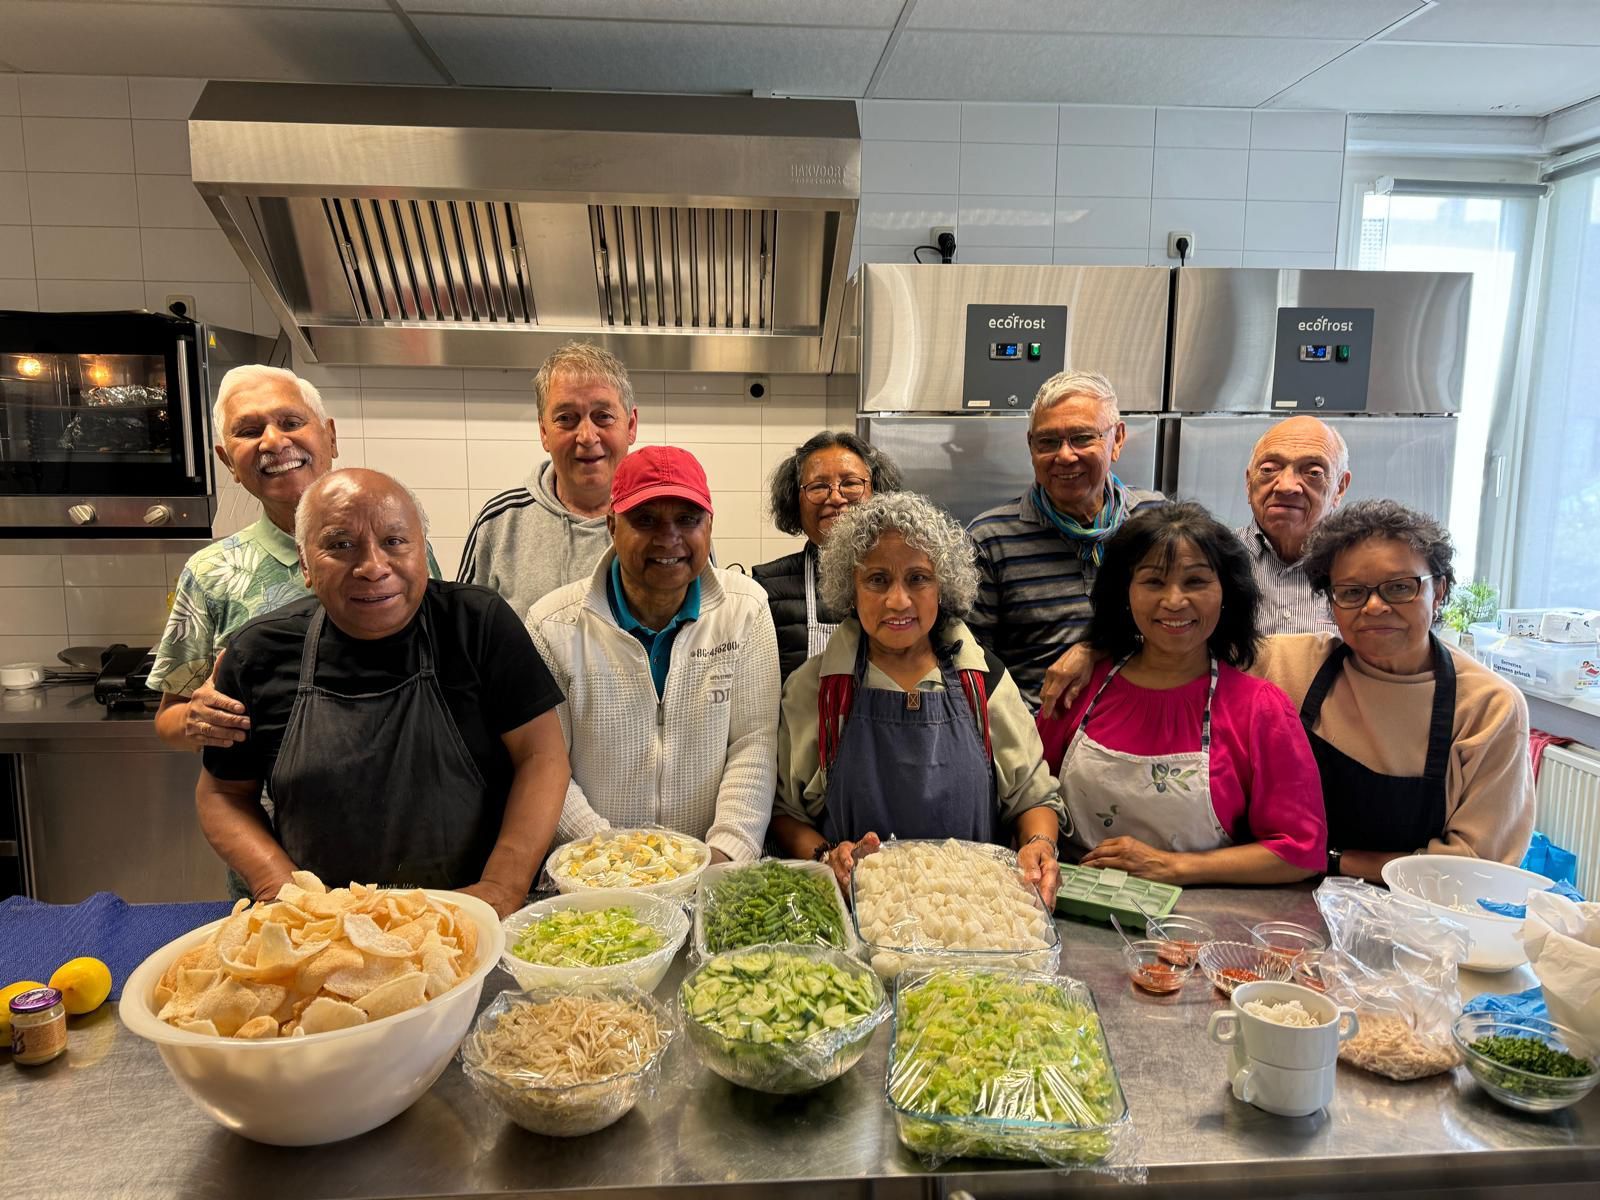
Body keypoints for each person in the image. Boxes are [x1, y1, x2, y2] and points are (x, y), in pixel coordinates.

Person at [193, 469, 570, 917]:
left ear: (422, 551)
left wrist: (502, 889)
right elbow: (222, 795)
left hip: (469, 916)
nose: (373, 567)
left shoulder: (477, 624)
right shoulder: (259, 652)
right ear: (306, 564)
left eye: (394, 541)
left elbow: (542, 758)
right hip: (323, 930)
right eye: (340, 545)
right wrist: (283, 892)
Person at [773, 493, 1063, 903]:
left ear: (942, 586)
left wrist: (1039, 845)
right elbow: (787, 814)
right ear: (849, 588)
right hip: (859, 913)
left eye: (918, 578)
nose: (898, 600)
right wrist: (824, 856)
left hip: (972, 918)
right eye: (877, 580)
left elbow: (1031, 798)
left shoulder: (984, 681)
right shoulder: (816, 689)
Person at [150, 364, 441, 752]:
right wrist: (194, 718)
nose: (273, 441)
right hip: (270, 805)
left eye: (290, 422)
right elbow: (169, 718)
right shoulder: (209, 574)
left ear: (331, 437)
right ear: (228, 462)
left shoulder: (399, 549)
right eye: (249, 431)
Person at [1036, 503, 1326, 886]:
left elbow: (1300, 852)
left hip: (1197, 924)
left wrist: (1172, 867)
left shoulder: (1260, 709)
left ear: (1227, 593)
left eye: (1195, 582)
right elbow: (1033, 797)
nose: (1174, 601)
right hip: (1070, 904)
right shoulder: (1080, 687)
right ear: (1126, 592)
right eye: (1153, 582)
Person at [1253, 500, 1534, 882]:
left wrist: (1335, 861)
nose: (1374, 606)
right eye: (1351, 592)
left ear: (1438, 593)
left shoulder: (1488, 707)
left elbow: (1475, 869)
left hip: (1418, 917)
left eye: (1400, 588)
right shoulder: (1285, 664)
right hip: (1278, 896)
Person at [527, 446, 780, 864]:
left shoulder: (745, 611)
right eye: (645, 520)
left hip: (711, 865)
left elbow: (752, 744)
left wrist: (726, 852)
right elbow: (549, 767)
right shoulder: (553, 625)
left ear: (710, 526)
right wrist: (612, 860)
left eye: (688, 519)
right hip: (594, 871)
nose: (669, 538)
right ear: (611, 525)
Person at [966, 369, 1164, 710]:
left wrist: (1096, 648)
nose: (1065, 456)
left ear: (1116, 440)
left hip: (1145, 725)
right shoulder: (990, 539)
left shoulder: (1157, 521)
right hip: (1037, 740)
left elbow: (1184, 630)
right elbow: (971, 664)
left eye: (1083, 437)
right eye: (1048, 442)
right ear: (1031, 446)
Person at [458, 341, 639, 619]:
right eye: (566, 418)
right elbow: (461, 636)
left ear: (630, 425)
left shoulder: (672, 518)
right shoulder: (499, 523)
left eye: (603, 417)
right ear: (544, 432)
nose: (587, 437)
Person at [752, 431, 904, 682]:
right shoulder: (765, 590)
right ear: (795, 501)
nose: (835, 497)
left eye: (851, 483)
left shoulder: (909, 583)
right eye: (818, 486)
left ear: (878, 493)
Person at [1238, 416, 1351, 634]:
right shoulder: (1215, 558)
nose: (1286, 486)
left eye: (1313, 473)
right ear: (1249, 482)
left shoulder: (1362, 569)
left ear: (1340, 488)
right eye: (1269, 469)